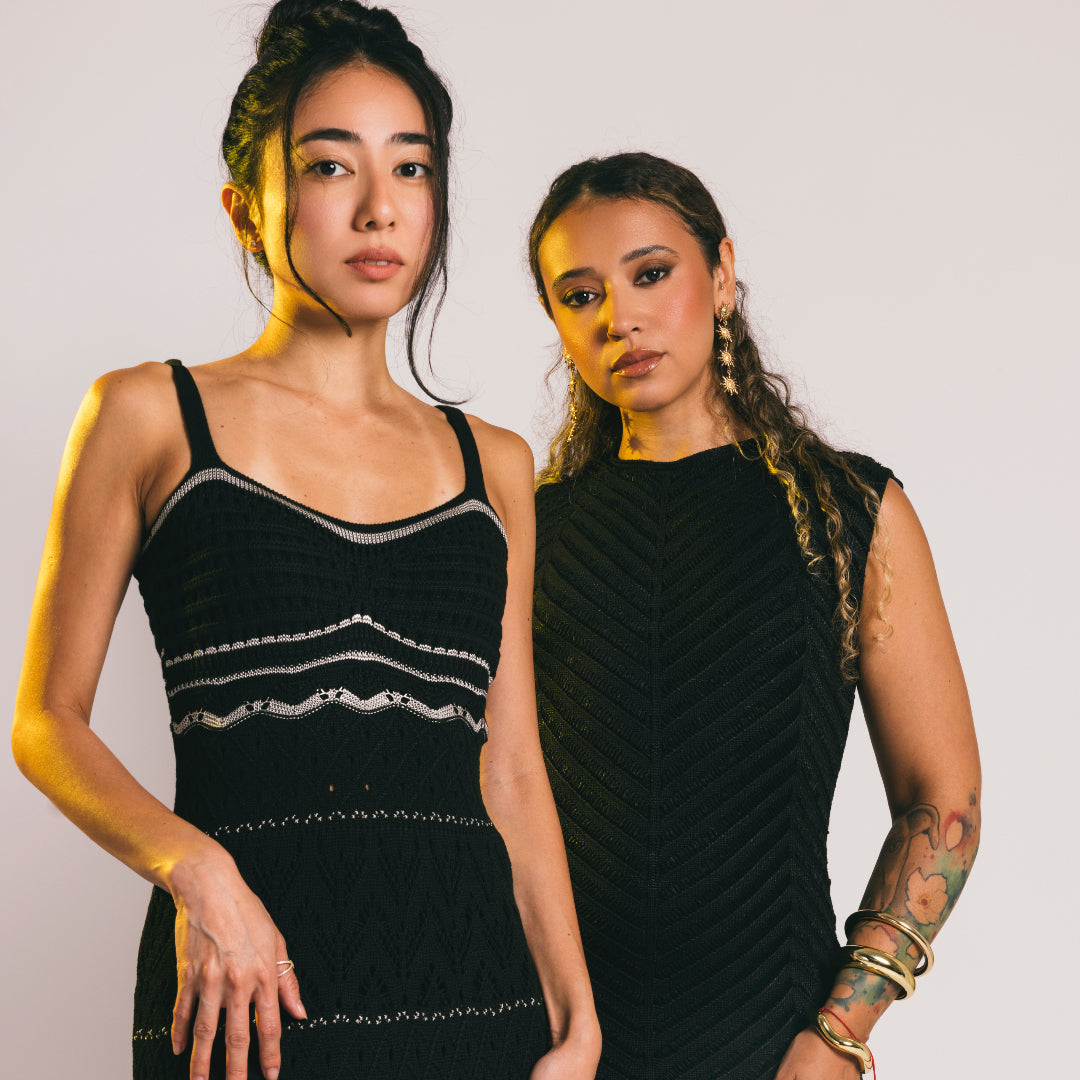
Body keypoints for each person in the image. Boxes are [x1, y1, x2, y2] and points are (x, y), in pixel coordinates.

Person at [12, 3, 600, 1078]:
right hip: (244, 1004)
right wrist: (195, 871)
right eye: (331, 167)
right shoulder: (149, 416)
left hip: (478, 1007)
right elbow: (46, 723)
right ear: (247, 209)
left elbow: (511, 768)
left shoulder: (495, 466)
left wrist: (578, 1021)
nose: (380, 208)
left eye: (411, 169)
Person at [527, 152, 980, 1080]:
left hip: (775, 1046)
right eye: (580, 295)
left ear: (723, 274)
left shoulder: (849, 512)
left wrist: (839, 1035)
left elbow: (944, 800)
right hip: (548, 1047)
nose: (620, 318)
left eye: (652, 273)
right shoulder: (526, 532)